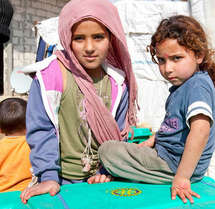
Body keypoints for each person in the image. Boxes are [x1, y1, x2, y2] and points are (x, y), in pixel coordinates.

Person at [98, 15, 215, 204]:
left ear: (199, 55)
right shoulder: (184, 86)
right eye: (161, 60)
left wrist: (182, 178)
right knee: (128, 144)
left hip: (174, 164)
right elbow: (176, 128)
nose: (168, 68)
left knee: (107, 150)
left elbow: (200, 131)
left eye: (176, 58)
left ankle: (128, 172)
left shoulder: (197, 86)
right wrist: (154, 139)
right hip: (168, 156)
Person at [20, 0, 137, 203]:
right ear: (67, 38)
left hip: (102, 180)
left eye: (98, 37)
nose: (89, 47)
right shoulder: (51, 76)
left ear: (111, 37)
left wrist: (107, 171)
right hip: (60, 182)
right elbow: (41, 130)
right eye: (79, 38)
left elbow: (118, 136)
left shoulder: (118, 83)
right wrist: (48, 176)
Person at [0, 97, 32, 192]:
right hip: (29, 192)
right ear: (29, 123)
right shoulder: (33, 144)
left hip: (3, 196)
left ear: (0, 129)